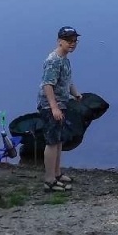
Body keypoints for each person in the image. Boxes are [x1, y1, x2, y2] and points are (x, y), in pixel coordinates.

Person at [38, 26, 83, 193]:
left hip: (61, 104)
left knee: (59, 141)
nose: (72, 44)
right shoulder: (53, 60)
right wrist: (54, 108)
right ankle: (49, 180)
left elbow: (67, 81)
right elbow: (47, 85)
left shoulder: (65, 59)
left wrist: (75, 93)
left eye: (75, 41)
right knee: (52, 142)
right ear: (59, 41)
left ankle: (57, 173)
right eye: (69, 41)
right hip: (50, 106)